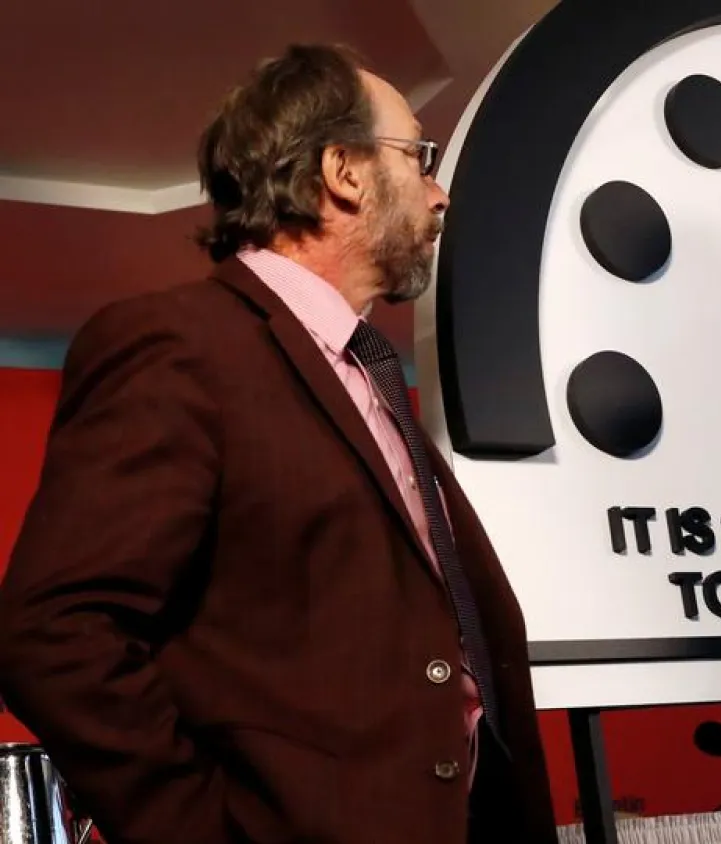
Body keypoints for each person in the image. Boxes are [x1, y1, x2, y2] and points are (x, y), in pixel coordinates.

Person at [0, 45, 557, 844]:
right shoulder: (180, 346)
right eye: (419, 157)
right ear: (344, 171)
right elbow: (54, 632)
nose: (440, 194)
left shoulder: (368, 371)